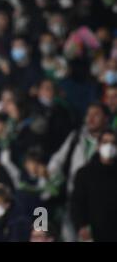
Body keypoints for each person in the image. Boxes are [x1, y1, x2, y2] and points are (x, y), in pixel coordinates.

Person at [47, 102, 109, 241]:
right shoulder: (76, 137)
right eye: (89, 115)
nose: (91, 119)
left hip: (102, 204)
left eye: (96, 115)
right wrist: (50, 175)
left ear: (106, 118)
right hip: (74, 199)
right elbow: (57, 160)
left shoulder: (111, 142)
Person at [71, 130, 117, 242]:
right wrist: (81, 226)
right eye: (105, 142)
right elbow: (77, 202)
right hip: (92, 235)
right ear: (98, 146)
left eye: (113, 143)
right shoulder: (84, 174)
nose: (109, 146)